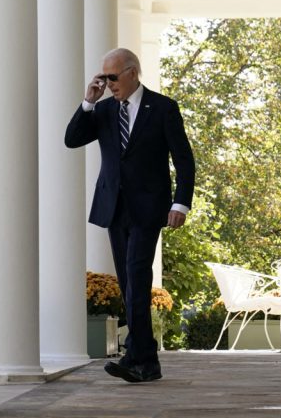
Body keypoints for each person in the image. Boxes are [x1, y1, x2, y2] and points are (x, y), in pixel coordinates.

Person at [64, 48, 195, 383]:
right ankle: (146, 361)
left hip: (150, 208)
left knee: (137, 276)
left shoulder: (163, 108)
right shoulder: (105, 110)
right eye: (103, 78)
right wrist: (88, 102)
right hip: (114, 207)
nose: (107, 84)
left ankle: (137, 356)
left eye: (112, 77)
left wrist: (180, 204)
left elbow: (184, 159)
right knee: (128, 282)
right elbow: (72, 139)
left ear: (132, 72)